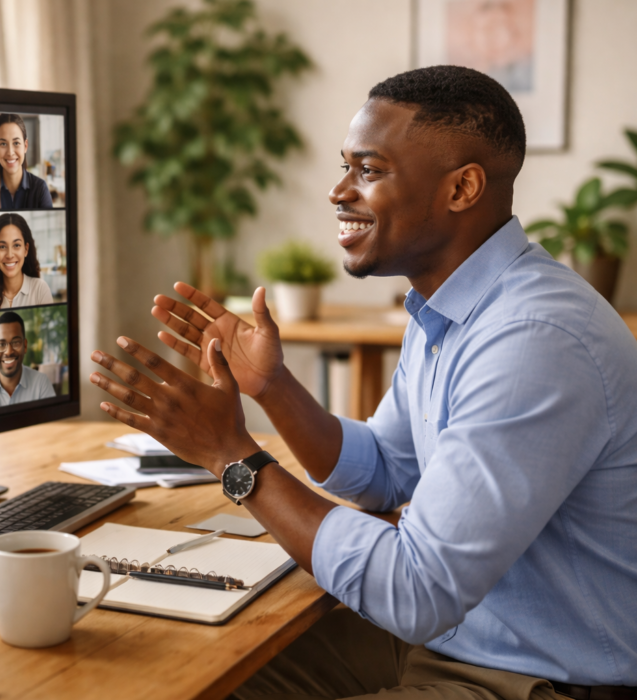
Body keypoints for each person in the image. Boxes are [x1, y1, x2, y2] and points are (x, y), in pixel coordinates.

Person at [89, 66, 637, 698]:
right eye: (346, 166)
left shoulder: (534, 339)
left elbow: (417, 592)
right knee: (187, 673)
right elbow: (382, 468)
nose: (338, 191)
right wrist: (273, 387)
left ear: (462, 188)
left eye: (369, 171)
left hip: (534, 678)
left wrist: (231, 456)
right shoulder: (449, 308)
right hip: (457, 640)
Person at [0, 311, 56, 412]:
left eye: (16, 342)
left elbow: (53, 425)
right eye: (2, 344)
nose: (8, 352)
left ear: (25, 346)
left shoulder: (41, 383)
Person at [0, 213, 53, 311]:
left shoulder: (40, 289)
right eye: (2, 246)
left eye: (16, 245)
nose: (9, 255)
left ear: (26, 249)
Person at [0, 114, 53, 211]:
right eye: (3, 144)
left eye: (16, 143)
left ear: (25, 146)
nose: (10, 152)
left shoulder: (40, 188)